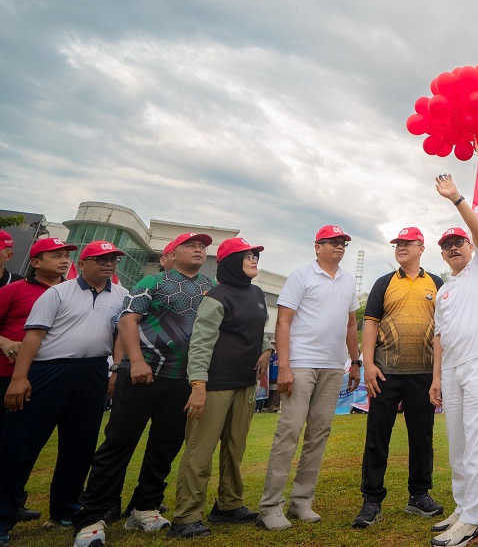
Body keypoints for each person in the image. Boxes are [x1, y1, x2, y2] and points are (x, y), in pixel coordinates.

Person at [73, 233, 215, 544]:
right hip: (141, 375)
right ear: (172, 254)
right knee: (118, 444)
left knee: (165, 446)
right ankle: (92, 516)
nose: (199, 250)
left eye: (202, 247)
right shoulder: (154, 282)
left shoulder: (211, 288)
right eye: (191, 245)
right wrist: (135, 361)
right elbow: (127, 321)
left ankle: (145, 506)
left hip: (182, 380)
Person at [1, 242, 129, 545]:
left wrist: (115, 369)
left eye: (113, 259)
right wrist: (19, 378)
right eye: (101, 259)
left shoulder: (122, 295)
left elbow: (121, 334)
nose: (109, 264)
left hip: (93, 371)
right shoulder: (58, 292)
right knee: (20, 444)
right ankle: (4, 515)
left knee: (80, 445)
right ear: (82, 264)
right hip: (49, 370)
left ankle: (66, 508)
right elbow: (34, 336)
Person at [168, 237, 273, 537]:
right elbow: (200, 343)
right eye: (248, 255)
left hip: (244, 383)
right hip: (214, 384)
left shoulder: (256, 293)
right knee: (200, 451)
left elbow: (257, 328)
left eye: (256, 255)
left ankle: (228, 505)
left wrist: (266, 347)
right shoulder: (216, 296)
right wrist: (198, 385)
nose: (254, 259)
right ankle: (186, 517)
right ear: (230, 262)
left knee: (235, 448)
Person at [258, 226, 360, 530]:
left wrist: (354, 362)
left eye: (343, 243)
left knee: (319, 434)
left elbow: (351, 325)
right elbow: (284, 322)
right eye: (333, 242)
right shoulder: (301, 276)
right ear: (317, 247)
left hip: (332, 366)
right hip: (301, 364)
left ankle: (302, 501)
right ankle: (270, 506)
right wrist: (285, 367)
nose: (339, 247)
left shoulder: (347, 282)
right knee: (289, 431)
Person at [428, 173, 478, 547]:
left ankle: (474, 521)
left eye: (458, 242)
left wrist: (456, 198)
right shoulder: (445, 290)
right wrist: (436, 377)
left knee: (476, 441)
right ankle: (462, 507)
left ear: (469, 248)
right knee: (456, 443)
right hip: (453, 368)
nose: (454, 248)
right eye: (447, 246)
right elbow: (439, 336)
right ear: (442, 255)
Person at [353, 227, 445, 529]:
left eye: (407, 244)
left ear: (421, 248)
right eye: (397, 244)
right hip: (385, 373)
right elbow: (370, 325)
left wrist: (438, 375)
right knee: (377, 436)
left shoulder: (438, 284)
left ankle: (419, 495)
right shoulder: (384, 283)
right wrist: (367, 364)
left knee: (422, 437)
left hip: (423, 374)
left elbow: (444, 331)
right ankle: (372, 500)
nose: (401, 248)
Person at [0, 237, 78, 525]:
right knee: (11, 446)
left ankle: (28, 504)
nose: (63, 260)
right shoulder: (14, 290)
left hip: (50, 377)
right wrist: (5, 340)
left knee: (34, 444)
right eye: (55, 255)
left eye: (66, 255)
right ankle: (8, 507)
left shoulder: (74, 292)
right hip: (9, 376)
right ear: (35, 262)